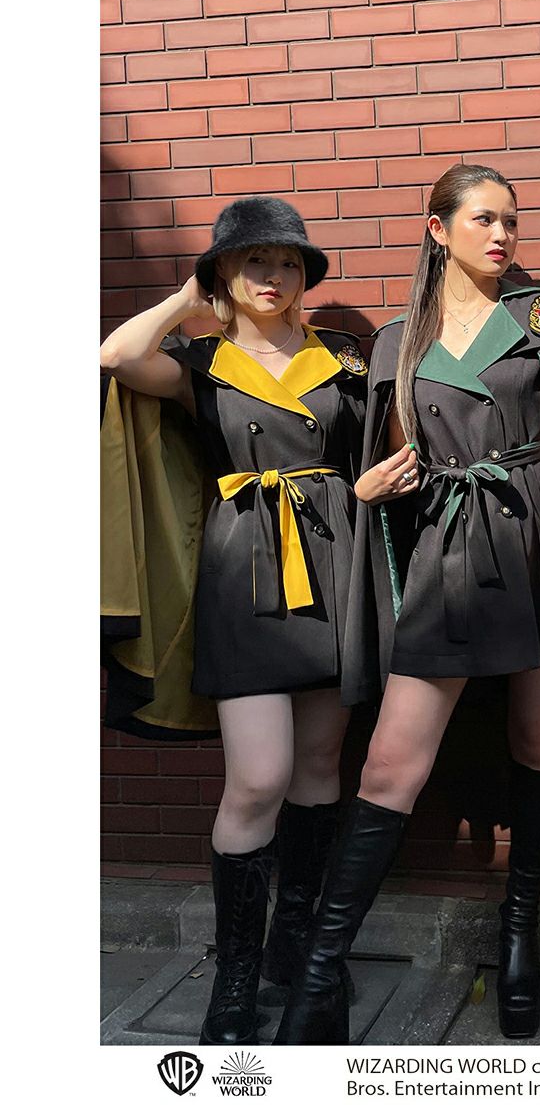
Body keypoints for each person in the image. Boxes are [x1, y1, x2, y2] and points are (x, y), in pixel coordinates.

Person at [275, 164, 540, 1045]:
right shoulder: (399, 339)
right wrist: (368, 488)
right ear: (437, 229)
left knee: (538, 738)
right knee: (391, 763)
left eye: (511, 221)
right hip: (447, 553)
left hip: (538, 542)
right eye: (482, 220)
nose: (501, 236)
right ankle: (320, 973)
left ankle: (519, 937)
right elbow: (395, 456)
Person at [99, 197, 369, 1044]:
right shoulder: (202, 361)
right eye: (253, 260)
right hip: (242, 572)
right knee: (258, 777)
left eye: (287, 262)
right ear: (223, 271)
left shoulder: (343, 359)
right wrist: (188, 298)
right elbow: (115, 356)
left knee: (318, 765)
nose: (272, 276)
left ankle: (296, 947)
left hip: (332, 564)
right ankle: (236, 973)